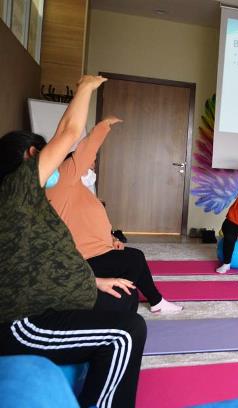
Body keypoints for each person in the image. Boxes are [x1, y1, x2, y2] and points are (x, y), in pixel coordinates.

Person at [0, 75, 146, 407]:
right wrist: (85, 88)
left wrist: (96, 280)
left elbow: (39, 263)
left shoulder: (28, 201)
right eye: (43, 153)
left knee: (123, 297)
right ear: (30, 157)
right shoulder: (15, 191)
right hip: (21, 322)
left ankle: (95, 373)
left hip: (47, 299)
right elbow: (67, 133)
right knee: (126, 333)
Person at [46, 117, 182, 314]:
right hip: (82, 258)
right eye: (91, 164)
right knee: (134, 260)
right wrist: (101, 129)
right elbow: (84, 151)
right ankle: (148, 301)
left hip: (98, 249)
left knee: (132, 261)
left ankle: (153, 301)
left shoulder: (78, 189)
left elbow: (88, 223)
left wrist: (112, 239)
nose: (92, 166)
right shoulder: (63, 179)